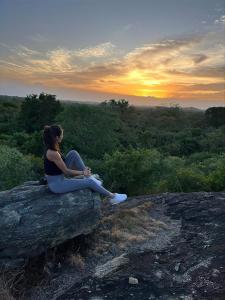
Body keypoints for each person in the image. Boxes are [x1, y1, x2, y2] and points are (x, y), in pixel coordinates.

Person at [42, 124, 127, 204]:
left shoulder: (52, 147)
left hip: (58, 177)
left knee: (73, 153)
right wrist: (83, 172)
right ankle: (113, 197)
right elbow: (66, 172)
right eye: (61, 135)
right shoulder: (53, 153)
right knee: (89, 182)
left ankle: (89, 176)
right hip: (57, 184)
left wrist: (84, 172)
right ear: (57, 137)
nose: (62, 136)